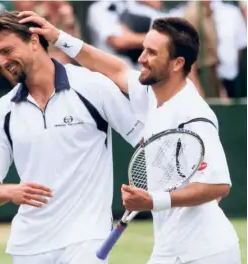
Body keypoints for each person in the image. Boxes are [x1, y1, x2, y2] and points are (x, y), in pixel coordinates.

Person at [18, 12, 241, 264]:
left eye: (152, 53)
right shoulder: (152, 92)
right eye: (144, 49)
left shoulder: (195, 114)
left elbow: (219, 185)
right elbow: (114, 68)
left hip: (206, 253)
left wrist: (152, 200)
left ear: (177, 63)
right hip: (172, 249)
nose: (142, 58)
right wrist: (59, 37)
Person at [0, 11, 144, 264]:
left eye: (8, 50)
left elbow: (146, 141)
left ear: (34, 41)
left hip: (86, 240)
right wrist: (10, 192)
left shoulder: (93, 87)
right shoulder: (2, 110)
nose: (2, 61)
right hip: (27, 245)